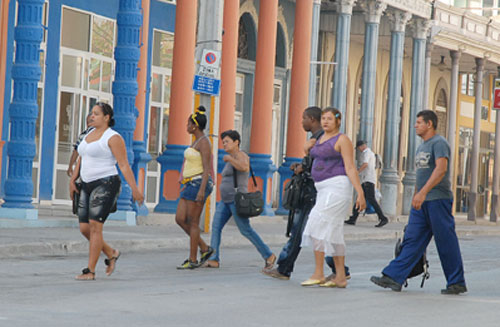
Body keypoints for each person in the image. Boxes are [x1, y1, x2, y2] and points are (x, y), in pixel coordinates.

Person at [370, 110, 467, 295]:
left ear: (429, 124)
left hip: (438, 200)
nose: (416, 125)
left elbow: (440, 170)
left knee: (446, 242)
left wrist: (422, 193)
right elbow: (421, 174)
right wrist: (416, 195)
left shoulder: (439, 143)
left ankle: (457, 282)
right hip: (421, 203)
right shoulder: (421, 146)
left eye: (419, 122)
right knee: (412, 239)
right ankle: (393, 276)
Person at [263, 107, 350, 281]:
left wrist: (303, 167)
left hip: (315, 192)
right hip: (319, 190)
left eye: (304, 118)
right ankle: (339, 270)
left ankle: (286, 268)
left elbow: (321, 165)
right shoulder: (320, 139)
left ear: (312, 119)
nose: (301, 122)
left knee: (302, 229)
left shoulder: (321, 139)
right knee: (319, 230)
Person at [69, 102, 144, 280]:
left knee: (95, 227)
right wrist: (73, 179)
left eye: (96, 114)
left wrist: (135, 189)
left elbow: (124, 165)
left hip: (106, 183)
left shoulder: (113, 137)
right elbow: (82, 156)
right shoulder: (88, 134)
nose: (92, 116)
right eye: (91, 113)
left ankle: (90, 271)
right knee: (84, 228)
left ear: (106, 117)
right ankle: (111, 253)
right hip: (86, 184)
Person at [300, 107, 365, 288]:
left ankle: (319, 272)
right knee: (334, 231)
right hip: (322, 189)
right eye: (323, 118)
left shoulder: (342, 139)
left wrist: (359, 192)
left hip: (337, 187)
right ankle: (340, 277)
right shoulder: (319, 138)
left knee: (316, 222)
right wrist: (306, 150)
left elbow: (350, 167)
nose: (325, 121)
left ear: (338, 121)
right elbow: (314, 160)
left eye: (329, 118)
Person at [202, 130, 276, 270]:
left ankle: (268, 255)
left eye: (227, 141)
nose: (224, 144)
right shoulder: (232, 156)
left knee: (245, 230)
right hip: (225, 200)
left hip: (237, 200)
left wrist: (230, 159)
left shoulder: (241, 156)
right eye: (223, 142)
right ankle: (214, 259)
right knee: (216, 227)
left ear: (236, 142)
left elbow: (244, 167)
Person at [175, 106, 215, 269]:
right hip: (189, 183)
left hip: (198, 184)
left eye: (188, 123)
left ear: (195, 126)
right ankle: (204, 248)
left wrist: (201, 191)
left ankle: (192, 259)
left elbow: (207, 169)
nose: (187, 126)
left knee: (193, 222)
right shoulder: (196, 141)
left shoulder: (204, 143)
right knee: (179, 219)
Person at [345, 140, 388, 227]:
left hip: (368, 180)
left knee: (371, 200)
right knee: (360, 198)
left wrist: (357, 172)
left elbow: (365, 164)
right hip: (367, 180)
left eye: (359, 148)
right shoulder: (369, 153)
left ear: (362, 146)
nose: (359, 150)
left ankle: (383, 218)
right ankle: (353, 218)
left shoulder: (367, 153)